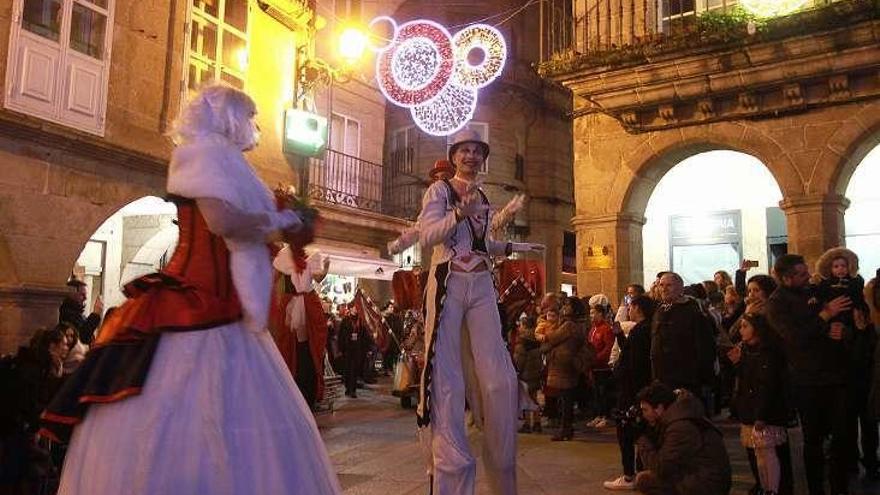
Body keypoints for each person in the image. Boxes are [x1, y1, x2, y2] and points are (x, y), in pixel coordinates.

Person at [40, 84, 341, 494]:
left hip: (228, 307)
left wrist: (288, 220)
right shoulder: (203, 155)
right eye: (249, 116)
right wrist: (280, 223)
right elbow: (223, 222)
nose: (255, 126)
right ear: (229, 118)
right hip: (199, 304)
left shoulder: (231, 163)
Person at [413, 128, 543, 495]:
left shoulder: (483, 195)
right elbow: (427, 235)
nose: (471, 156)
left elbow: (483, 243)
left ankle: (502, 468)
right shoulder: (440, 191)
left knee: (499, 378)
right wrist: (457, 213)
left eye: (476, 151)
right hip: (450, 282)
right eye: (465, 150)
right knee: (446, 376)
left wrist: (514, 244)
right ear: (454, 156)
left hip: (482, 283)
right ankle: (450, 461)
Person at [765, 253, 852, 495]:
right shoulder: (777, 303)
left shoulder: (812, 291)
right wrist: (825, 315)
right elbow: (794, 337)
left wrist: (838, 328)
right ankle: (816, 489)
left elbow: (831, 320)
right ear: (786, 278)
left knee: (841, 437)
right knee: (813, 440)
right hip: (807, 380)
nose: (808, 277)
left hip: (834, 375)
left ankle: (840, 487)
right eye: (801, 274)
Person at [730, 314, 793, 495]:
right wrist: (737, 364)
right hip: (752, 409)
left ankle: (771, 489)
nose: (741, 330)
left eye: (745, 326)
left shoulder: (767, 352)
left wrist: (761, 414)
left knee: (768, 455)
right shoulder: (748, 350)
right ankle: (765, 487)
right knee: (760, 455)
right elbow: (747, 380)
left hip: (764, 412)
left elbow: (767, 385)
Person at [635, 382, 732, 495]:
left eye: (645, 410)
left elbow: (660, 468)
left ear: (659, 408)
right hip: (702, 475)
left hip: (707, 483)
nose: (643, 415)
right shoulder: (680, 414)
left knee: (644, 480)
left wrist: (641, 438)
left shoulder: (680, 427)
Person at [604, 295, 655, 491]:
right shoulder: (643, 330)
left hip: (632, 390)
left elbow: (634, 362)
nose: (629, 311)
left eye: (631, 307)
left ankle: (629, 475)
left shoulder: (641, 331)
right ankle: (640, 473)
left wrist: (620, 374)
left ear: (638, 308)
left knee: (627, 433)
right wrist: (619, 335)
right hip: (637, 388)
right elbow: (630, 352)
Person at [271, 247, 329, 409]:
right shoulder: (284, 255)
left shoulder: (312, 254)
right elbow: (273, 278)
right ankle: (295, 395)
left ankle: (305, 395)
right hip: (295, 305)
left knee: (307, 351)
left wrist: (326, 267)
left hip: (306, 304)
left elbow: (318, 278)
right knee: (291, 348)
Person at [651, 273, 717, 398]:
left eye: (669, 285)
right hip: (661, 376)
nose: (664, 289)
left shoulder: (693, 313)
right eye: (661, 285)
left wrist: (703, 377)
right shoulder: (660, 310)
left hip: (685, 378)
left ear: (680, 288)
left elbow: (705, 347)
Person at [540, 298, 586, 441]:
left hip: (564, 364)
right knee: (566, 398)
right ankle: (566, 428)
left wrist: (545, 337)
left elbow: (553, 337)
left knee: (566, 399)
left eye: (568, 305)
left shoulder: (569, 325)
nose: (564, 307)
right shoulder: (576, 323)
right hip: (567, 363)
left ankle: (565, 429)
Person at [586, 294, 615, 429]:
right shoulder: (593, 329)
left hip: (602, 368)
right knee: (595, 393)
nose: (592, 316)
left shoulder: (606, 329)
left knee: (604, 393)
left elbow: (608, 348)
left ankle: (606, 416)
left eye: (594, 313)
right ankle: (598, 414)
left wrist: (596, 359)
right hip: (593, 367)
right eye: (590, 313)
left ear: (601, 314)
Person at [513, 314, 542, 433]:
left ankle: (526, 423)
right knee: (534, 399)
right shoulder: (537, 339)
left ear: (524, 326)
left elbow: (519, 360)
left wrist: (516, 371)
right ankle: (537, 423)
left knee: (524, 400)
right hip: (535, 374)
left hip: (525, 375)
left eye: (521, 325)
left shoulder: (522, 342)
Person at [58, 278, 102, 345]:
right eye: (82, 294)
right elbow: (83, 336)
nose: (85, 298)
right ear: (72, 294)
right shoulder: (67, 314)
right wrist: (95, 314)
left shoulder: (77, 313)